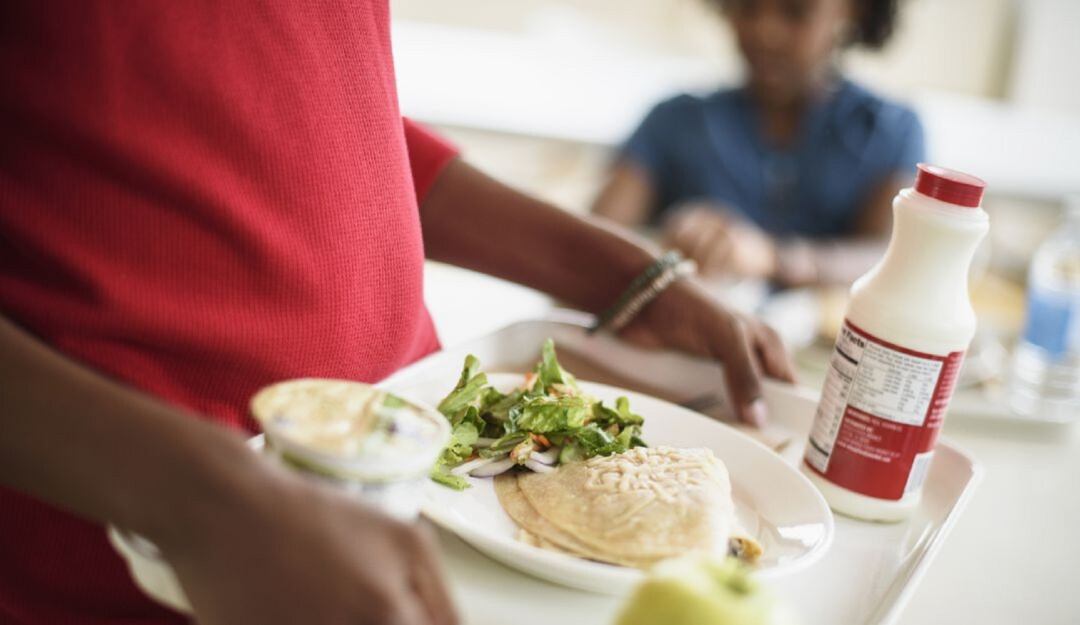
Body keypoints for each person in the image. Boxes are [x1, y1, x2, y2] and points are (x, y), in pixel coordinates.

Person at [0, 3, 794, 625]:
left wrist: (624, 274)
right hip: (149, 565)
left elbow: (330, 127)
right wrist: (199, 500)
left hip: (441, 504)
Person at [593, 0, 925, 288]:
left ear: (855, 10)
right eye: (748, 6)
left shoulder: (890, 131)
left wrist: (774, 258)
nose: (766, 32)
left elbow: (892, 262)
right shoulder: (674, 121)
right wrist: (665, 237)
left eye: (796, 12)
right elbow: (594, 240)